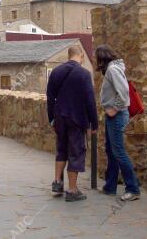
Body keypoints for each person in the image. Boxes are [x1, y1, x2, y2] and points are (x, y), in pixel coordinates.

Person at [47, 45, 98, 202]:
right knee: (76, 152)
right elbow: (90, 101)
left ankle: (57, 182)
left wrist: (51, 119)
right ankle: (72, 190)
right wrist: (94, 124)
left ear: (68, 55)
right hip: (77, 118)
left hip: (59, 117)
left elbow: (50, 97)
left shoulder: (56, 71)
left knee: (61, 148)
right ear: (81, 56)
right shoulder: (84, 74)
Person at [95, 45, 140, 201]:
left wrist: (114, 109)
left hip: (117, 115)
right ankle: (110, 186)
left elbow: (124, 93)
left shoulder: (113, 70)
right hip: (113, 115)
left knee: (119, 151)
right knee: (110, 150)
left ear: (102, 58)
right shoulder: (113, 69)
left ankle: (133, 189)